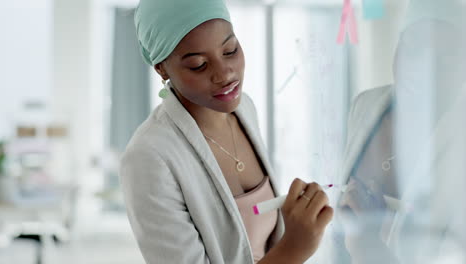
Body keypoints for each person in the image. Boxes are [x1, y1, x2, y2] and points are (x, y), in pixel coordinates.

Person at [119, 0, 334, 263]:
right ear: (161, 68)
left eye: (230, 50)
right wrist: (294, 248)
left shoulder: (245, 109)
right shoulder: (148, 157)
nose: (224, 74)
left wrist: (298, 221)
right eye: (198, 65)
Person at [337, 1, 466, 263]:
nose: (425, 68)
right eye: (416, 45)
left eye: (446, 57)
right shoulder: (366, 106)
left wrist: (367, 245)